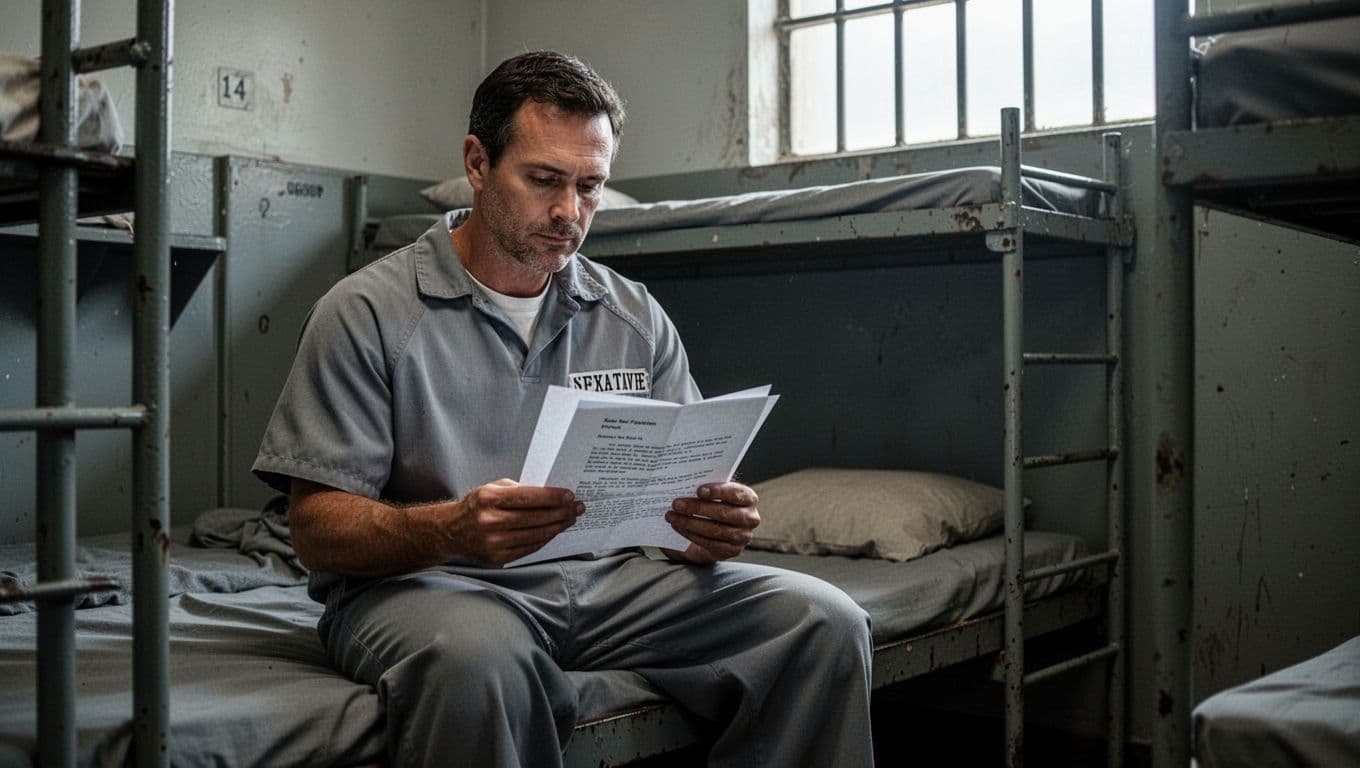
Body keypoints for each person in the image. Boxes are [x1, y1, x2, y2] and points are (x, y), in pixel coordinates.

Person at [253, 50, 874, 767]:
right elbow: (315, 530)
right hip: (431, 587)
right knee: (479, 664)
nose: (568, 212)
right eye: (544, 180)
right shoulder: (365, 313)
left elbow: (679, 506)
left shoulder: (632, 315)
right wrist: (451, 528)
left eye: (590, 186)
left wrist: (708, 528)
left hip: (609, 586)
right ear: (478, 162)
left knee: (824, 621)